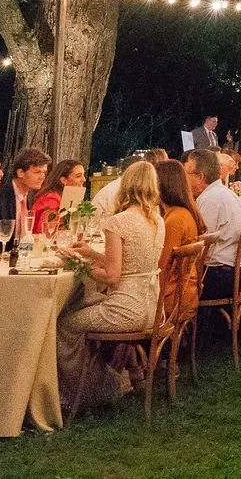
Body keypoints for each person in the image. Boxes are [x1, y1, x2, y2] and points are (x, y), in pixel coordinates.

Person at [56, 159, 163, 411]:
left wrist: (77, 264)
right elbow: (130, 262)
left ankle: (77, 394)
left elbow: (111, 276)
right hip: (152, 307)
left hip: (125, 310)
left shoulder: (119, 222)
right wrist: (91, 253)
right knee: (81, 307)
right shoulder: (156, 219)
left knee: (65, 323)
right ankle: (97, 385)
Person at [186, 148, 241, 301]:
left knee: (173, 282)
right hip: (236, 271)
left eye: (187, 174)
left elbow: (199, 246)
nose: (184, 179)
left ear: (200, 177)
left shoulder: (210, 199)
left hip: (221, 276)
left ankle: (177, 322)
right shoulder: (226, 193)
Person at [154, 159, 205, 324]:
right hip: (185, 292)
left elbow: (162, 267)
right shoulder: (184, 212)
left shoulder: (175, 219)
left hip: (173, 298)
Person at [0, 147, 49, 242]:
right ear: (20, 173)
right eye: (37, 172)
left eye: (44, 172)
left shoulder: (28, 195)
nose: (42, 177)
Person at [32, 158, 87, 235]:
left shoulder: (68, 197)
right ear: (64, 180)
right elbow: (44, 232)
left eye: (83, 175)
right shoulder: (51, 199)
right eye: (78, 176)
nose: (84, 179)